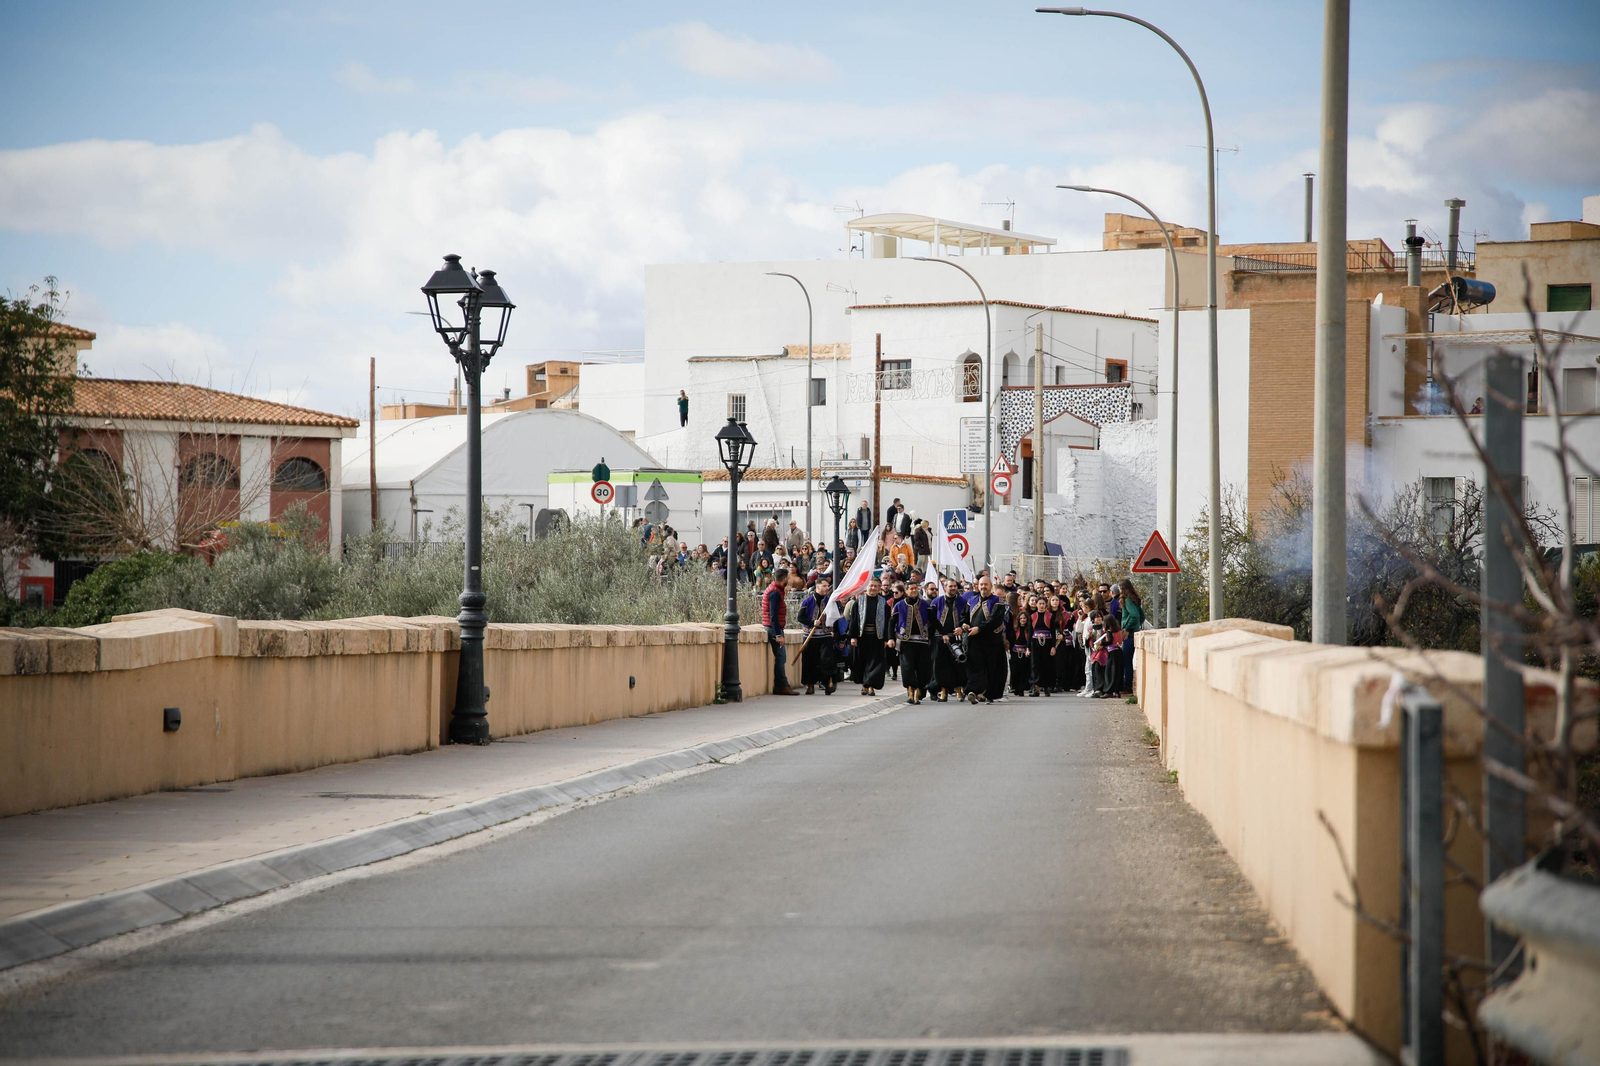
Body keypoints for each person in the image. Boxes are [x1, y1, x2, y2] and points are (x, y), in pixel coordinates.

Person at [964, 576, 1008, 704]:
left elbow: (994, 620)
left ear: (991, 586)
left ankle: (988, 694)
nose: (983, 587)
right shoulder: (971, 600)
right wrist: (964, 625)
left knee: (992, 669)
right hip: (974, 641)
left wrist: (979, 628)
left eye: (986, 584)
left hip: (992, 642)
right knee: (975, 667)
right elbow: (965, 616)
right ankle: (975, 691)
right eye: (981, 584)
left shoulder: (997, 601)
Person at [892, 579, 935, 704]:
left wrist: (941, 633)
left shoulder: (925, 605)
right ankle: (910, 692)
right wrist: (890, 638)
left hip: (922, 642)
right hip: (906, 642)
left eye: (915, 588)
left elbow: (934, 620)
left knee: (922, 669)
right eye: (911, 588)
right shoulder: (899, 605)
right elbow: (892, 622)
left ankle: (919, 690)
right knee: (907, 668)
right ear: (906, 590)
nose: (914, 590)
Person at [847, 577, 890, 694]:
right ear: (866, 587)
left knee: (875, 662)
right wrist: (853, 636)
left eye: (876, 586)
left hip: (877, 637)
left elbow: (887, 621)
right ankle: (864, 685)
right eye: (871, 585)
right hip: (862, 636)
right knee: (862, 661)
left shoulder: (883, 602)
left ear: (879, 588)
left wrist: (886, 638)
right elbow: (854, 620)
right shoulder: (859, 601)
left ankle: (870, 685)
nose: (873, 588)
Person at [797, 576, 836, 695]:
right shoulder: (807, 601)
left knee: (826, 661)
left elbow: (836, 617)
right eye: (824, 586)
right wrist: (812, 622)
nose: (826, 588)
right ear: (817, 586)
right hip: (810, 635)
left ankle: (827, 683)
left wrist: (834, 630)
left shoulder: (830, 602)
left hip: (825, 636)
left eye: (827, 586)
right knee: (809, 661)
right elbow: (800, 617)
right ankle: (810, 685)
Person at [762, 568, 797, 695]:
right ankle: (782, 685)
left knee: (781, 657)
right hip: (773, 628)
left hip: (773, 627)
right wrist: (778, 634)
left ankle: (780, 685)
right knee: (781, 657)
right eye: (788, 578)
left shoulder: (775, 590)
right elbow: (773, 615)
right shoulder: (775, 593)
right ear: (784, 579)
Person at [931, 577, 967, 701]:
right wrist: (940, 634)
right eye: (950, 586)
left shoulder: (963, 601)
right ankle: (943, 692)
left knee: (957, 665)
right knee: (941, 666)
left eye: (954, 586)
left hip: (957, 638)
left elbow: (966, 618)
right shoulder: (936, 601)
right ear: (945, 587)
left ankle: (958, 691)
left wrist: (962, 628)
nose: (952, 588)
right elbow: (932, 620)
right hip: (940, 639)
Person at [1118, 578, 1144, 694]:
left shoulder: (1127, 601)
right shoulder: (1135, 600)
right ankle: (1127, 684)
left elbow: (1135, 616)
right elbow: (1141, 616)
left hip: (1129, 635)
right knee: (1129, 660)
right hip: (1134, 633)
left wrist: (1128, 628)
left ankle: (1127, 685)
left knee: (1126, 660)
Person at [1007, 591, 1031, 698]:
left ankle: (1021, 687)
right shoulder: (1008, 612)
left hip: (1023, 646)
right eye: (1018, 599)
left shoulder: (1022, 611)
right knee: (1014, 669)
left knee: (1023, 669)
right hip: (1013, 644)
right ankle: (1014, 686)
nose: (1020, 601)